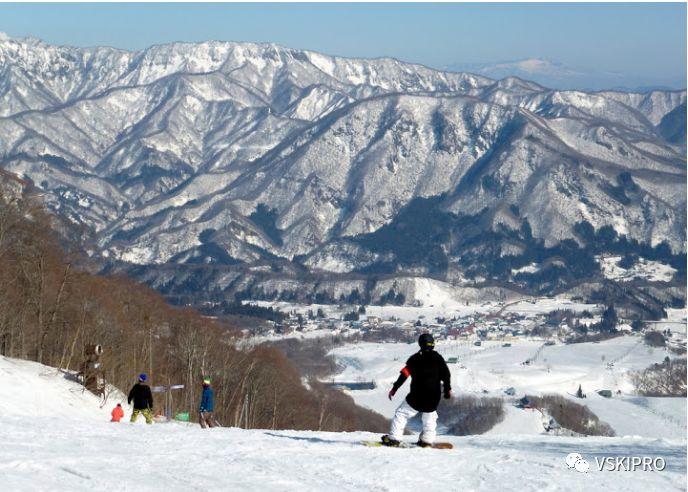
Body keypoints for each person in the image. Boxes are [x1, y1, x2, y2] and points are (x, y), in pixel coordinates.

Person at [382, 333, 451, 447]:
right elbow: (446, 375)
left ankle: (394, 438)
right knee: (430, 416)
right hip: (434, 397)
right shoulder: (438, 358)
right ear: (432, 344)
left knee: (402, 413)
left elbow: (404, 374)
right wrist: (447, 390)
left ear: (420, 344)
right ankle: (427, 441)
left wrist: (394, 389)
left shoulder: (415, 358)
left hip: (417, 396)